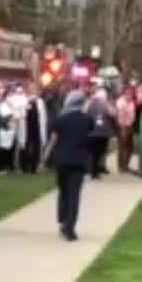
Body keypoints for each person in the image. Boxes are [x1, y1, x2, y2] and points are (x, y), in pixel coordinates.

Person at [42, 91, 93, 242]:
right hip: (79, 161)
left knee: (63, 190)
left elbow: (53, 139)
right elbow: (88, 135)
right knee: (74, 195)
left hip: (62, 160)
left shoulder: (61, 119)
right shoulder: (87, 119)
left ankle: (63, 218)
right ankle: (70, 227)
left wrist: (45, 156)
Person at [85, 88, 115, 180]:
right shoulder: (91, 103)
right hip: (96, 132)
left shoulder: (102, 104)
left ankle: (95, 170)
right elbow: (113, 113)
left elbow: (113, 113)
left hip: (100, 132)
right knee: (96, 153)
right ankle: (94, 171)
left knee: (98, 153)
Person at [115, 88, 137, 174]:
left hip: (130, 125)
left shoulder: (131, 102)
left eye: (131, 93)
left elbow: (132, 115)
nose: (130, 95)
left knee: (130, 147)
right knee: (122, 147)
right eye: (128, 93)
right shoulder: (120, 103)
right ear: (124, 94)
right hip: (122, 126)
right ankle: (121, 167)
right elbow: (120, 117)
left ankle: (126, 165)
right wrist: (122, 129)